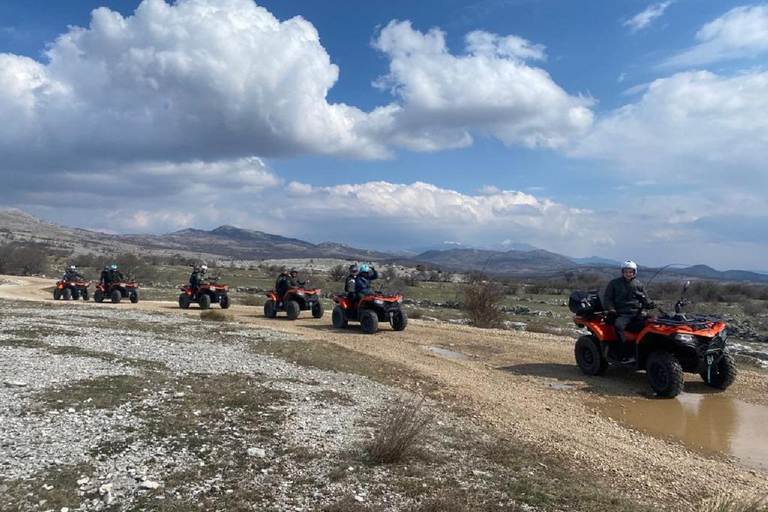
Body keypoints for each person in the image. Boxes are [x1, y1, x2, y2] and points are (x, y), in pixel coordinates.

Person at [603, 260, 652, 364]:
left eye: (630, 272)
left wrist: (645, 309)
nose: (628, 274)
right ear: (622, 272)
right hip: (622, 313)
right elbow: (607, 298)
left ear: (634, 272)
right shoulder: (614, 283)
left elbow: (646, 299)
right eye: (626, 271)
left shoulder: (639, 285)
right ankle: (626, 354)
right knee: (618, 326)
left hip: (637, 313)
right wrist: (611, 309)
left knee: (654, 322)